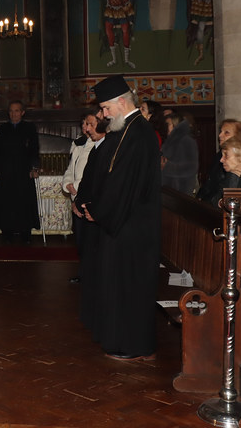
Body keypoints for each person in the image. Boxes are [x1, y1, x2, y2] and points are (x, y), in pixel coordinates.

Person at [80, 75, 161, 360]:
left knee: (131, 286)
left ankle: (133, 345)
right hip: (123, 223)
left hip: (134, 227)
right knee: (118, 284)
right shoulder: (125, 131)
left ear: (122, 102)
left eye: (105, 108)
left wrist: (100, 211)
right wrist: (95, 206)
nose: (103, 114)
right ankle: (119, 340)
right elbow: (109, 177)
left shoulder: (139, 134)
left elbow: (125, 185)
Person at [62, 110, 105, 284]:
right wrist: (68, 185)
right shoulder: (79, 143)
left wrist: (79, 194)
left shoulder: (102, 145)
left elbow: (94, 178)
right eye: (84, 124)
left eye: (90, 124)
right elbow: (71, 169)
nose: (85, 128)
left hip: (90, 200)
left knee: (94, 242)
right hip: (78, 199)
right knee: (81, 241)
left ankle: (95, 274)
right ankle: (84, 272)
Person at [0, 100, 40, 241]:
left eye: (17, 110)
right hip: (5, 173)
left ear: (22, 112)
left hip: (24, 172)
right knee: (6, 203)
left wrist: (34, 168)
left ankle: (25, 233)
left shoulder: (29, 128)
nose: (13, 113)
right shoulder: (2, 129)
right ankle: (7, 232)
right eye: (11, 111)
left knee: (24, 203)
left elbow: (34, 150)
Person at [196, 119, 241, 204]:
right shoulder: (219, 155)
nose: (220, 135)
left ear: (238, 137)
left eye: (226, 133)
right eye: (221, 131)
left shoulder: (239, 158)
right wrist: (200, 197)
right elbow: (210, 181)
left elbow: (225, 188)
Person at [160, 111, 198, 195]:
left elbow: (191, 167)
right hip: (168, 190)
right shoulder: (170, 141)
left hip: (179, 191)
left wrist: (166, 165)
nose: (166, 127)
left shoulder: (187, 141)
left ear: (175, 125)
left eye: (168, 124)